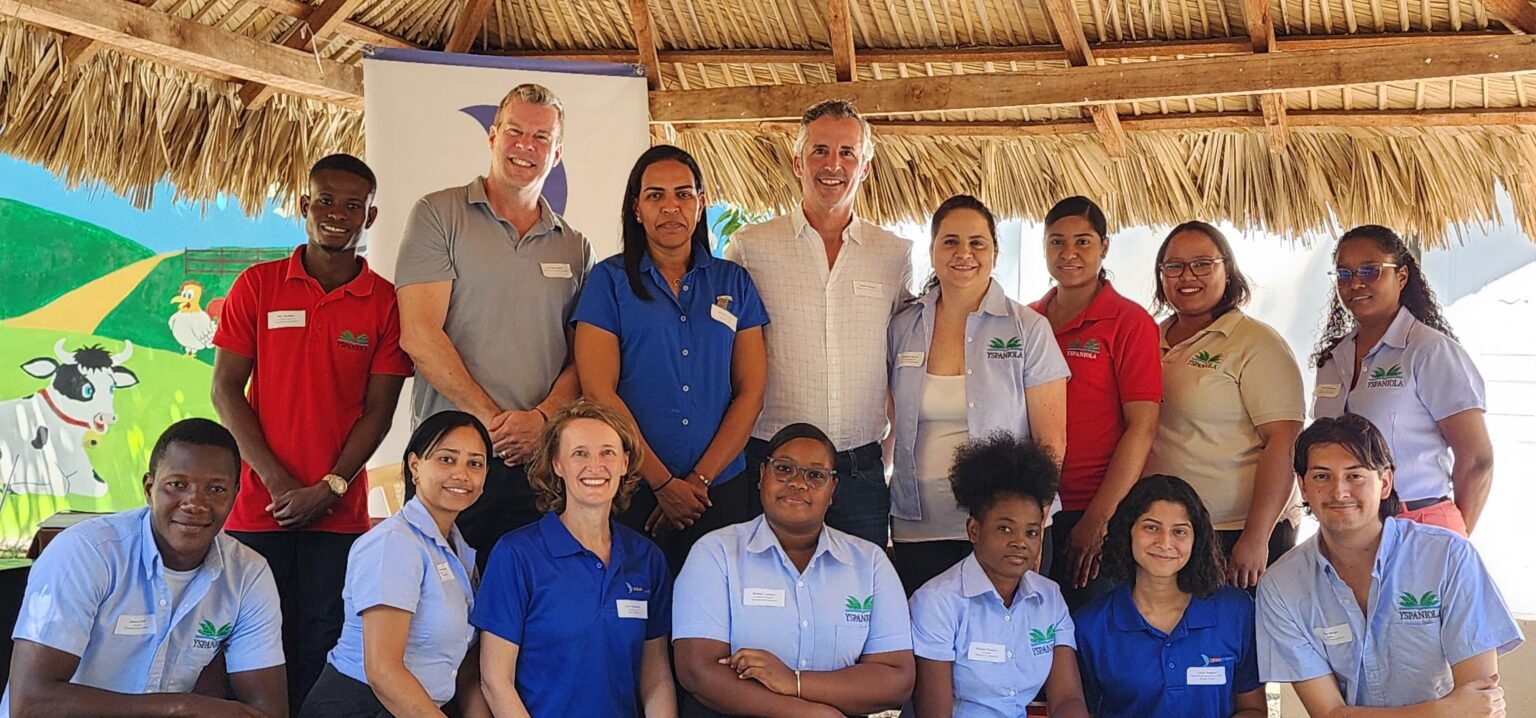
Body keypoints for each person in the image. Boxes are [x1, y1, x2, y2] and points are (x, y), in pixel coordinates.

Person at [211, 153, 413, 712]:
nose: (337, 214)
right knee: (251, 648)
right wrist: (278, 484)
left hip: (340, 516)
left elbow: (380, 410)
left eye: (354, 205)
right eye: (325, 200)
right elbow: (226, 390)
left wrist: (329, 488)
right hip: (258, 510)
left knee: (325, 646)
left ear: (370, 217)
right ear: (304, 206)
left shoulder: (385, 302)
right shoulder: (257, 285)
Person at [396, 83, 593, 570]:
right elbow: (419, 333)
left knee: (527, 611)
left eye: (541, 137)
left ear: (558, 152)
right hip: (451, 454)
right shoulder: (438, 214)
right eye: (515, 131)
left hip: (539, 459)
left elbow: (582, 357)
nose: (526, 146)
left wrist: (542, 419)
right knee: (438, 609)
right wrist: (493, 423)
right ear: (492, 136)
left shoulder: (575, 246)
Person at [724, 99, 914, 548]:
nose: (833, 165)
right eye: (819, 151)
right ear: (797, 161)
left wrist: (885, 453)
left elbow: (902, 357)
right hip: (771, 465)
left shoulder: (893, 254)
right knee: (765, 601)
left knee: (855, 609)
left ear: (865, 166)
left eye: (848, 153)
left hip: (859, 472)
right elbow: (722, 353)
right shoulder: (750, 248)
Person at [2, 418, 286, 717]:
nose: (195, 503)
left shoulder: (248, 575)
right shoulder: (87, 553)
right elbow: (31, 703)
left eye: (216, 489)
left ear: (234, 497)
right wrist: (179, 706)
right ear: (149, 489)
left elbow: (268, 710)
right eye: (177, 485)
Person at [573, 145, 768, 570]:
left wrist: (696, 482)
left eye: (683, 194)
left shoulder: (733, 281)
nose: (670, 208)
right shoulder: (607, 282)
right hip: (629, 488)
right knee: (637, 619)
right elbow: (598, 391)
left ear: (701, 204)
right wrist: (661, 482)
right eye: (655, 195)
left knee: (717, 622)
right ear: (637, 209)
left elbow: (751, 391)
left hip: (719, 489)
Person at [1257, 414, 1523, 714]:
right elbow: (1329, 713)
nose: (1339, 492)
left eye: (1355, 475)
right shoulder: (1281, 586)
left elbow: (1480, 705)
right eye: (1322, 476)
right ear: (1303, 487)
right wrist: (1443, 711)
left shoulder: (1448, 557)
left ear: (1385, 483)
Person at [888, 195, 1069, 594]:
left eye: (977, 243)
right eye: (950, 241)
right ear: (933, 250)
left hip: (1005, 526)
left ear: (994, 252)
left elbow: (1051, 440)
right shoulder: (903, 327)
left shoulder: (1028, 328)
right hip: (919, 524)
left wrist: (1033, 523)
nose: (964, 253)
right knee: (930, 647)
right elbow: (889, 422)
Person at [673, 423, 914, 718]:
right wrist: (810, 714)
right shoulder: (715, 554)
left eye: (815, 475)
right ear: (762, 475)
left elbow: (896, 680)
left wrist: (794, 682)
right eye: (784, 469)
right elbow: (697, 672)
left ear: (832, 489)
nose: (798, 483)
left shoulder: (870, 563)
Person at [474, 399, 676, 717]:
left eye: (607, 452)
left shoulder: (646, 558)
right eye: (579, 453)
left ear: (625, 463)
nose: (595, 465)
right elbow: (495, 681)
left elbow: (656, 679)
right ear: (557, 464)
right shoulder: (516, 554)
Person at [298, 411, 492, 718]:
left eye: (475, 463)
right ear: (415, 465)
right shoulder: (394, 543)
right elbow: (383, 671)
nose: (462, 474)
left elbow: (465, 660)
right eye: (446, 459)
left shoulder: (461, 551)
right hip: (361, 707)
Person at [1143, 221, 1303, 591]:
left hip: (1235, 533)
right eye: (1174, 266)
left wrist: (1256, 537)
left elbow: (1284, 441)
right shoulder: (1147, 337)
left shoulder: (1257, 343)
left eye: (1202, 264)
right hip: (1167, 529)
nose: (1188, 276)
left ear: (1228, 271)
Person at [1311, 225, 1492, 536]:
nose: (1355, 283)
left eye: (1370, 271)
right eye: (1344, 274)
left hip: (1419, 522)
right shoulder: (1332, 360)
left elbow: (1477, 460)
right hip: (1345, 530)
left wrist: (1452, 540)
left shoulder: (1429, 351)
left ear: (1402, 276)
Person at [1027, 196, 1161, 610]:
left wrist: (1098, 520)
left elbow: (1142, 426)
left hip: (1097, 507)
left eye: (1083, 242)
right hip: (1036, 506)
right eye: (1057, 242)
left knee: (1091, 638)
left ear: (1105, 246)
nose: (1069, 254)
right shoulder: (1027, 320)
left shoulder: (1129, 322)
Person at [908, 432, 1090, 718]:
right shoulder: (937, 602)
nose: (1020, 542)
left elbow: (1068, 699)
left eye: (1031, 532)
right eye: (1005, 528)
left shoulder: (1049, 597)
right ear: (974, 530)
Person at [1073, 474, 1264, 717]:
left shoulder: (1235, 611)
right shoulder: (1090, 626)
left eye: (1179, 532)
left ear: (1197, 539)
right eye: (1151, 527)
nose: (1165, 543)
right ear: (1128, 531)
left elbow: (1253, 709)